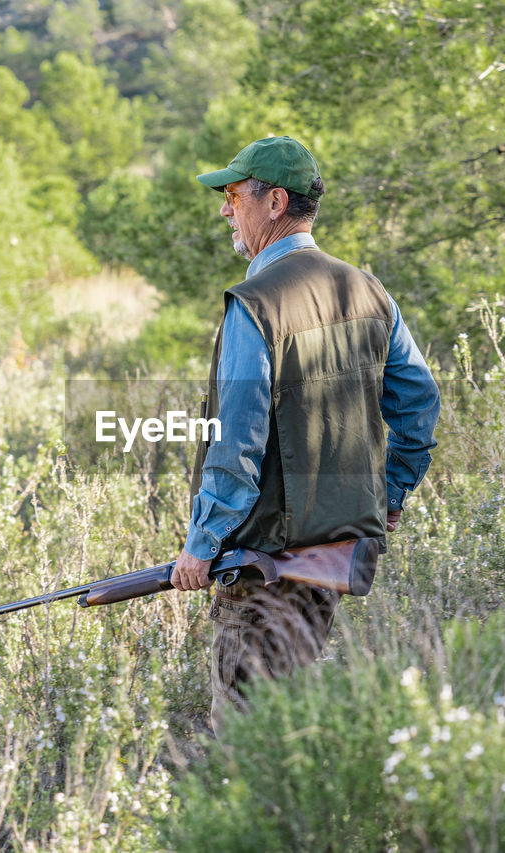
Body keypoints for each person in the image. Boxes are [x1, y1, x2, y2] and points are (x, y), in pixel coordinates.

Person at [169, 136, 440, 732]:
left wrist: (203, 543)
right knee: (288, 723)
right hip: (327, 561)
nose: (224, 209)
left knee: (245, 737)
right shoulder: (369, 292)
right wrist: (388, 497)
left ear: (275, 202)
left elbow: (237, 442)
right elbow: (419, 404)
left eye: (234, 194)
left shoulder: (256, 304)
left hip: (260, 559)